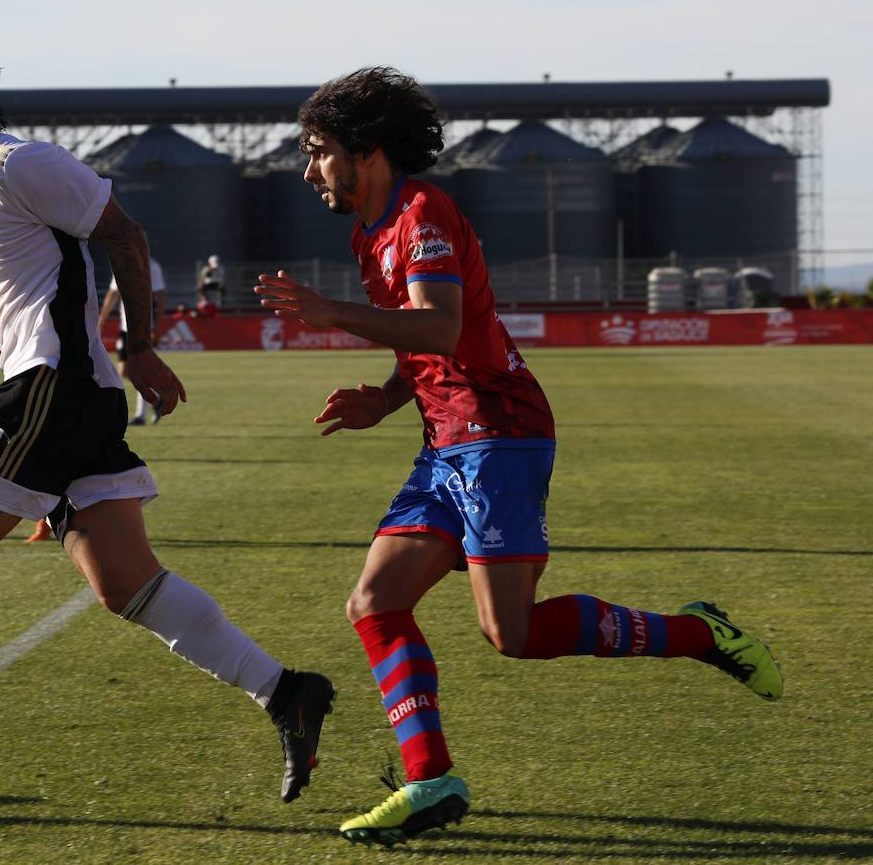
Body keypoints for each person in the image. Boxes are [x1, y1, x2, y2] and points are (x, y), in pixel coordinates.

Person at [0, 21, 333, 815]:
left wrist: (143, 343)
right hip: (64, 393)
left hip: (53, 382)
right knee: (126, 585)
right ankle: (288, 691)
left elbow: (125, 233)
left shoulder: (19, 163)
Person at [254, 67, 783, 848]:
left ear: (366, 152)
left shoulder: (424, 212)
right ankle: (431, 778)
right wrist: (384, 399)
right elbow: (430, 347)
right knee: (374, 603)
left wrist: (333, 313)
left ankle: (704, 634)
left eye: (319, 150)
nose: (309, 170)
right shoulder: (371, 234)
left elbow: (438, 326)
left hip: (499, 435)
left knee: (513, 632)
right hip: (446, 443)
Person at [98, 254, 167, 425]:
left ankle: (140, 415)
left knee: (139, 370)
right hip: (125, 327)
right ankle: (157, 399)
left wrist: (156, 328)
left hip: (143, 327)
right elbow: (112, 294)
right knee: (124, 371)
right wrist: (101, 320)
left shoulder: (152, 266)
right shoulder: (121, 263)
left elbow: (160, 297)